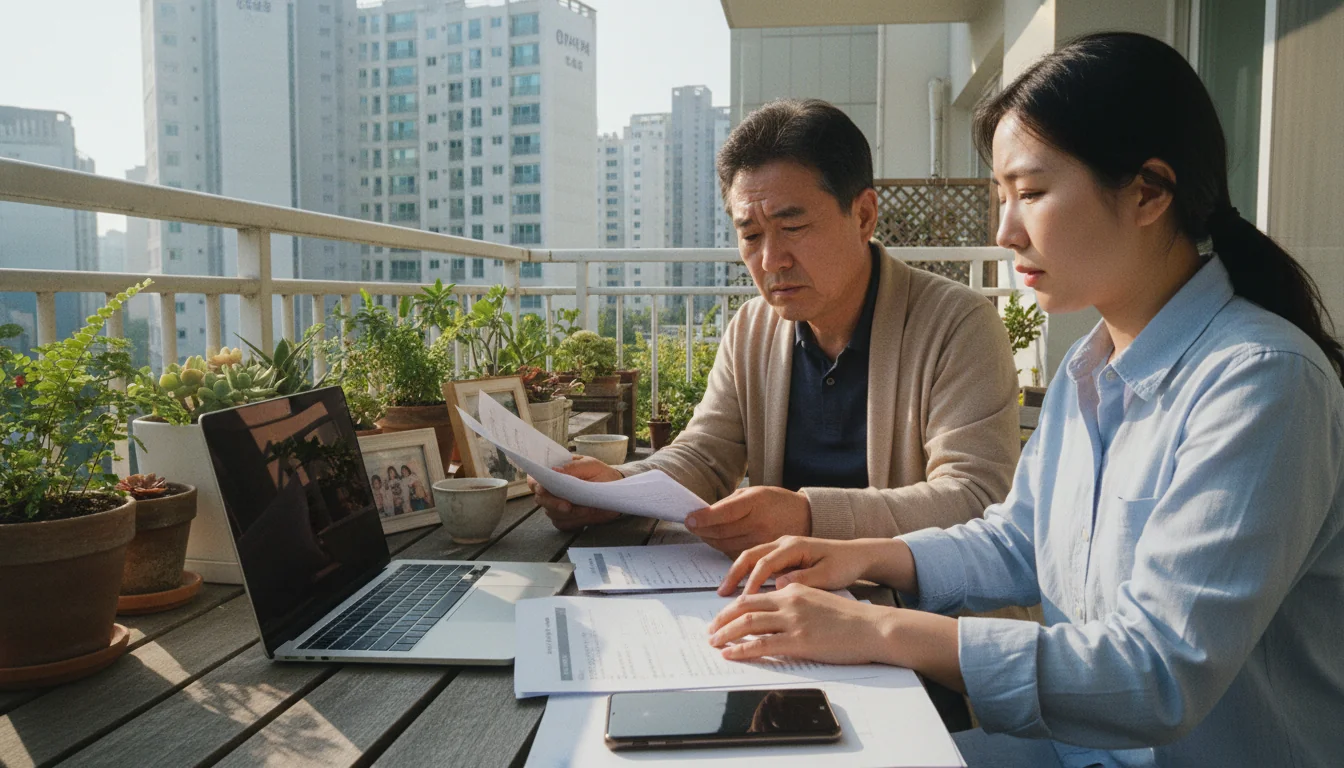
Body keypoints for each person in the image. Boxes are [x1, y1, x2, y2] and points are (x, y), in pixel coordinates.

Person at [707, 32, 1344, 768]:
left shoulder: (1260, 381)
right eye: (1001, 197)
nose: (1005, 232)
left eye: (1032, 193)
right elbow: (1017, 539)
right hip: (1077, 750)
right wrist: (851, 556)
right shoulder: (1092, 365)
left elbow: (1155, 675)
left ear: (1148, 191)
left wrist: (874, 631)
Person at [529, 99, 1022, 556]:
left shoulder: (957, 325)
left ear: (864, 215)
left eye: (793, 227)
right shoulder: (753, 329)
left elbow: (975, 499)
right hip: (783, 603)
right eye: (751, 235)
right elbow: (705, 455)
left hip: (914, 618)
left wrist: (808, 518)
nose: (771, 260)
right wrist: (617, 488)